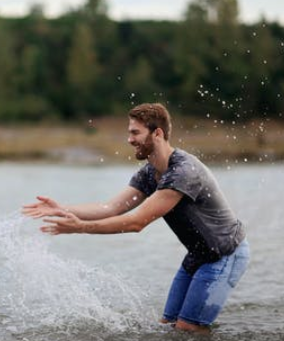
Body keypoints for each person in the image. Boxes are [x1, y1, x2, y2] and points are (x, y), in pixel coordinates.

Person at [22, 103, 249, 333]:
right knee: (169, 327)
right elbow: (111, 207)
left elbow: (136, 222)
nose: (129, 139)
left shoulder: (183, 172)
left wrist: (80, 227)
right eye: (129, 133)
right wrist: (63, 209)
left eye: (135, 133)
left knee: (189, 327)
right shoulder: (149, 173)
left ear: (157, 133)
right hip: (198, 255)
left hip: (224, 254)